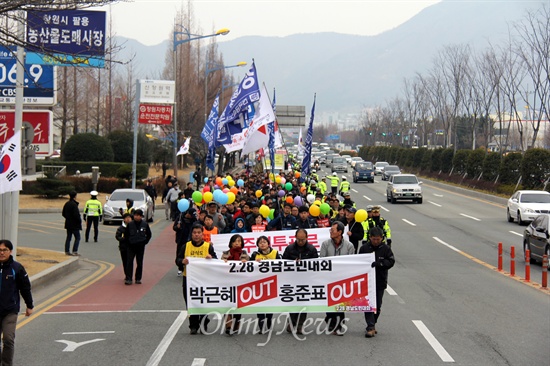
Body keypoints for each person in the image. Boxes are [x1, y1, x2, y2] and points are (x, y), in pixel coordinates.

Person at [176, 223, 218, 334]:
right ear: (192, 234)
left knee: (203, 301)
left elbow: (216, 261)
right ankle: (193, 325)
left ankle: (204, 320)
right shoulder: (186, 246)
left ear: (202, 234)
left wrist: (211, 258)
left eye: (199, 233)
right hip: (189, 279)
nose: (196, 235)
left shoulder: (208, 246)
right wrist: (182, 262)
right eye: (194, 233)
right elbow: (177, 259)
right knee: (190, 302)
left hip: (204, 279)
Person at [0, 240, 33, 366]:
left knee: (8, 339)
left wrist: (29, 306)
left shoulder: (17, 268)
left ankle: (6, 364)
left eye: (4, 250)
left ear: (10, 251)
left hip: (10, 310)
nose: (1, 253)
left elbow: (25, 288)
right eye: (0, 250)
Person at [320, 221, 355, 335]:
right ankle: (330, 322)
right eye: (330, 230)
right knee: (329, 303)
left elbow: (352, 263)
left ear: (340, 232)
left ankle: (339, 325)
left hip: (342, 279)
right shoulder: (325, 244)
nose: (331, 232)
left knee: (340, 304)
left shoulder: (349, 246)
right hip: (328, 278)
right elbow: (322, 261)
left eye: (333, 230)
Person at [359, 227, 395, 338]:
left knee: (377, 306)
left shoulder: (385, 249)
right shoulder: (364, 248)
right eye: (374, 239)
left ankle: (373, 323)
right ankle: (370, 327)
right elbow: (358, 261)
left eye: (378, 239)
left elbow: (391, 261)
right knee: (369, 304)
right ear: (370, 238)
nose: (376, 241)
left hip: (380, 280)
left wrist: (380, 264)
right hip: (367, 281)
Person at [282, 228, 318, 334]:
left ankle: (300, 325)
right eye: (298, 240)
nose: (300, 242)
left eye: (302, 240)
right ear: (295, 237)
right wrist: (293, 263)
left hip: (305, 280)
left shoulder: (311, 249)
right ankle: (292, 323)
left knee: (303, 303)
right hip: (292, 280)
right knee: (292, 303)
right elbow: (283, 263)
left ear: (306, 238)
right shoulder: (289, 249)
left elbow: (316, 264)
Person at [250, 236, 281, 334]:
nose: (262, 244)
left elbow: (281, 265)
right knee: (259, 305)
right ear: (257, 245)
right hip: (258, 283)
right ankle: (261, 325)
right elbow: (249, 267)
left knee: (269, 305)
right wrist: (254, 262)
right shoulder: (255, 254)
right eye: (260, 242)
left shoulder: (275, 253)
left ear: (268, 243)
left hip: (272, 283)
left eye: (264, 242)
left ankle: (268, 322)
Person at [221, 234, 250, 335]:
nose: (237, 243)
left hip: (240, 283)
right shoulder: (225, 253)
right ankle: (228, 325)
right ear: (231, 243)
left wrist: (246, 262)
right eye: (235, 241)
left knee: (239, 304)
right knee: (227, 303)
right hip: (227, 282)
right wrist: (223, 262)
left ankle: (236, 324)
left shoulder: (245, 254)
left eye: (239, 241)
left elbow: (251, 267)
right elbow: (219, 266)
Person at [125, 209, 152, 285]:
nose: (136, 217)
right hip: (131, 246)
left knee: (139, 263)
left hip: (140, 246)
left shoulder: (145, 224)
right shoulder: (130, 224)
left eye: (138, 215)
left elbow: (149, 235)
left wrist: (144, 242)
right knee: (129, 262)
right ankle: (129, 278)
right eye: (135, 215)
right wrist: (128, 243)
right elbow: (126, 235)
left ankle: (138, 278)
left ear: (141, 216)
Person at [174, 208, 197, 276]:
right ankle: (180, 268)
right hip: (181, 239)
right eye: (191, 215)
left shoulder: (193, 220)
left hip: (189, 240)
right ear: (188, 214)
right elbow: (174, 227)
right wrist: (177, 227)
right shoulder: (180, 218)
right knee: (179, 254)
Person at [62, 191, 82, 256]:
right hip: (74, 224)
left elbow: (63, 213)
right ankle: (75, 250)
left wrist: (68, 218)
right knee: (77, 237)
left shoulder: (67, 204)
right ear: (75, 196)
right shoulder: (74, 205)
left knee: (68, 237)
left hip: (68, 223)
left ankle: (67, 250)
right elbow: (76, 215)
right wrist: (79, 221)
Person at [115, 213, 133, 279]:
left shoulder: (133, 227)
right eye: (126, 218)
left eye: (129, 218)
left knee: (130, 262)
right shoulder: (121, 228)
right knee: (125, 262)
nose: (128, 219)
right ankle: (127, 274)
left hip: (131, 248)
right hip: (123, 248)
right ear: (124, 219)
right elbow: (117, 236)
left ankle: (129, 276)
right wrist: (123, 239)